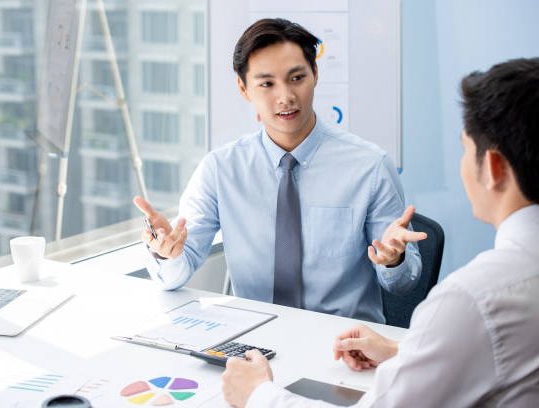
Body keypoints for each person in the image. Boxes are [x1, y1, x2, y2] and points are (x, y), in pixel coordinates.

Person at [221, 57, 539, 407]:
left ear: (493, 167)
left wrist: (258, 396)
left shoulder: (474, 299)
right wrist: (406, 351)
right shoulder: (225, 164)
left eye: (465, 149)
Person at [134, 18, 425, 323]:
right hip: (253, 341)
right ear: (243, 88)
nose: (285, 96)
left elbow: (403, 284)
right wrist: (167, 254)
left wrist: (394, 260)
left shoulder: (370, 167)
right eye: (267, 84)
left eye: (297, 78)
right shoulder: (220, 169)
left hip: (345, 346)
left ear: (315, 73)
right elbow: (175, 273)